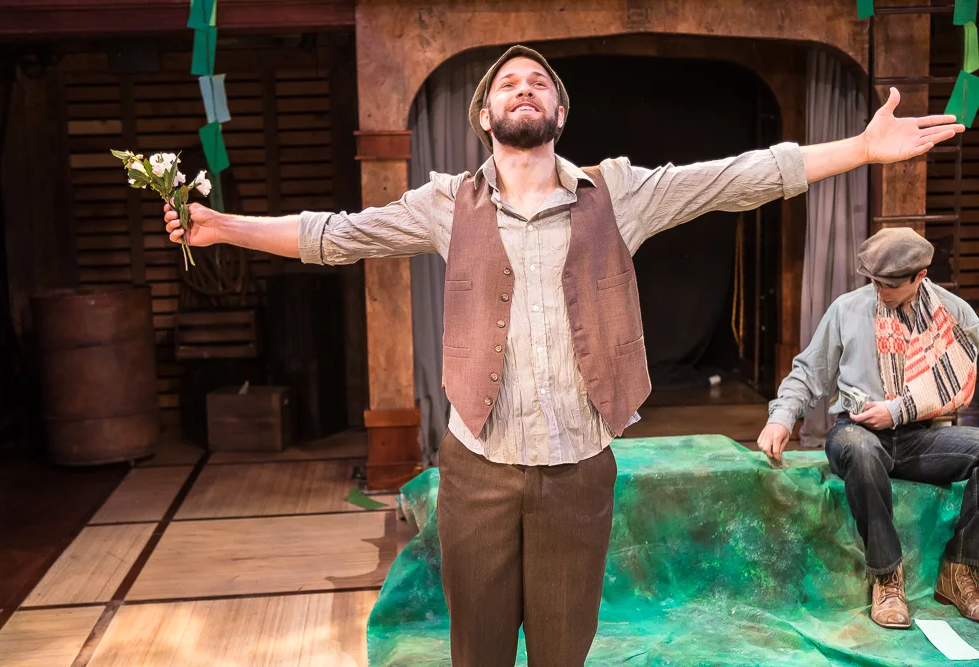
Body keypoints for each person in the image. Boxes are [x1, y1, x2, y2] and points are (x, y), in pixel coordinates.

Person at [165, 45, 963, 664]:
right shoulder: (447, 203)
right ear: (485, 115)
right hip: (477, 471)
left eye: (538, 83)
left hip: (578, 471)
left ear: (558, 111)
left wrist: (861, 149)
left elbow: (737, 177)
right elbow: (336, 234)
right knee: (477, 655)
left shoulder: (616, 192)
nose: (523, 89)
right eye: (507, 83)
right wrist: (224, 226)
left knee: (561, 653)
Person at [758, 227, 979, 630]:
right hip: (857, 431)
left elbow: (963, 374)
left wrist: (897, 411)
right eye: (874, 281)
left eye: (890, 284)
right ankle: (887, 577)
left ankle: (960, 568)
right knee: (861, 449)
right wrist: (781, 417)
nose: (880, 290)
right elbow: (809, 372)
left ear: (920, 276)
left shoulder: (953, 314)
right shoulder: (847, 309)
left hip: (916, 436)